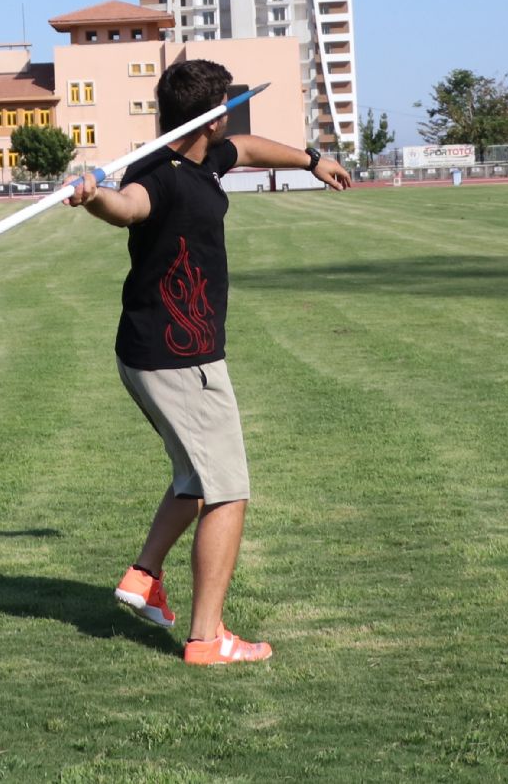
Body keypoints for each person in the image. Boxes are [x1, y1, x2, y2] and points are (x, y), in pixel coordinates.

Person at [66, 58, 353, 666]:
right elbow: (128, 206)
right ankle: (206, 639)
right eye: (228, 106)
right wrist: (94, 198)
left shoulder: (205, 158)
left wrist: (310, 159)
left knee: (196, 478)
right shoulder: (160, 176)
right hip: (177, 360)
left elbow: (246, 149)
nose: (233, 119)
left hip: (158, 351)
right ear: (212, 117)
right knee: (227, 491)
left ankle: (144, 575)